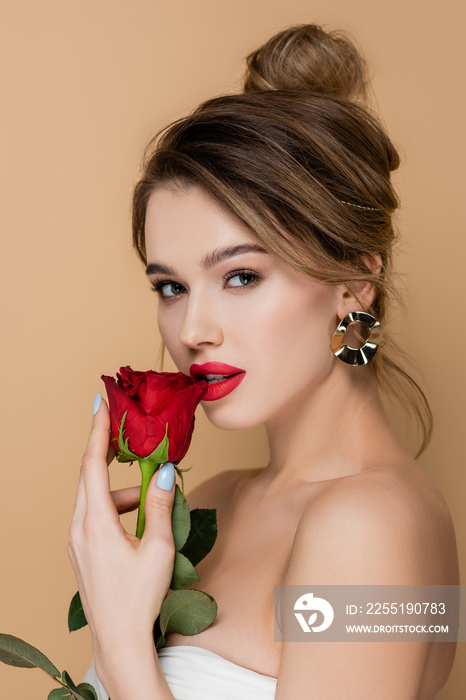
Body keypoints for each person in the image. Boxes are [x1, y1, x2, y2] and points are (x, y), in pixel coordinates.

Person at [69, 24, 459, 699]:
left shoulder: (373, 527)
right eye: (171, 286)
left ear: (353, 283)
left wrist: (123, 639)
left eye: (241, 276)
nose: (192, 329)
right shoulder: (212, 506)